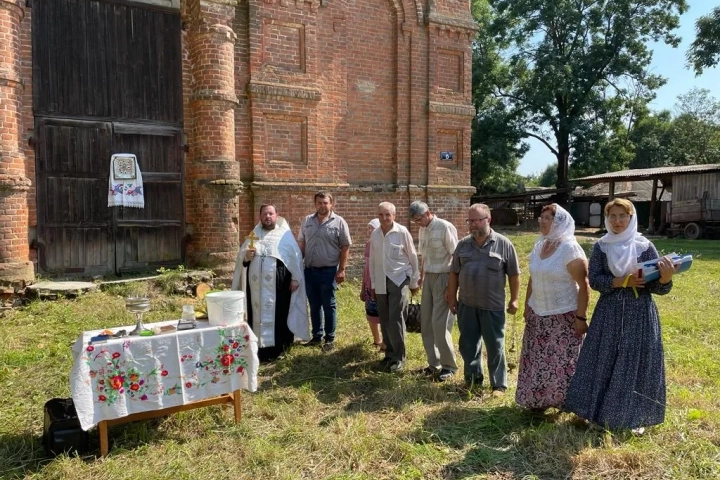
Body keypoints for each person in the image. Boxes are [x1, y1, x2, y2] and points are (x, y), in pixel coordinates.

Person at [565, 198, 676, 433]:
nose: (617, 221)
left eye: (622, 216)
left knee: (636, 362)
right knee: (604, 358)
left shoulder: (645, 247)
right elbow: (594, 280)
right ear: (607, 219)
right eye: (612, 216)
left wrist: (665, 279)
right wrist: (620, 281)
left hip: (640, 314)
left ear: (631, 218)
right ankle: (597, 413)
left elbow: (658, 288)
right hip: (610, 313)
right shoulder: (602, 246)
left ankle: (634, 417)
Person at [515, 204, 589, 411]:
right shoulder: (540, 246)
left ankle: (564, 403)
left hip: (563, 315)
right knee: (538, 360)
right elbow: (533, 278)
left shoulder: (570, 248)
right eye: (542, 217)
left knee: (561, 363)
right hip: (538, 314)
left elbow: (584, 285)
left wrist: (581, 317)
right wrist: (527, 306)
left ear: (560, 222)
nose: (542, 221)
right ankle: (537, 401)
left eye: (548, 218)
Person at [446, 203, 520, 396]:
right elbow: (453, 273)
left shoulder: (504, 244)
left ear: (488, 220)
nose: (472, 225)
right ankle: (472, 380)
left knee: (495, 346)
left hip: (492, 306)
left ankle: (499, 385)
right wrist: (452, 296)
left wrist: (514, 299)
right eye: (469, 221)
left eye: (476, 220)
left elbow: (514, 274)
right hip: (467, 305)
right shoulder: (462, 245)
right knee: (468, 345)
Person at [231, 204, 310, 362]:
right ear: (260, 217)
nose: (268, 217)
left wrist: (295, 278)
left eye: (271, 214)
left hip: (279, 287)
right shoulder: (254, 235)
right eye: (265, 214)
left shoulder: (284, 236)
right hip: (256, 289)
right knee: (256, 314)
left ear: (276, 215)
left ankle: (279, 349)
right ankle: (258, 349)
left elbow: (294, 258)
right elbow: (242, 262)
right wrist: (246, 256)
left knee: (279, 314)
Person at [409, 200, 459, 382]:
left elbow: (456, 256)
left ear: (428, 213)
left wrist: (451, 287)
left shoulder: (445, 227)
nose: (418, 222)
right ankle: (434, 364)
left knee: (440, 324)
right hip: (429, 277)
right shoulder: (423, 229)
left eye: (420, 218)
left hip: (444, 277)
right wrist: (421, 277)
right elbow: (424, 256)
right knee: (426, 322)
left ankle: (449, 366)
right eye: (415, 220)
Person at [368, 202, 420, 372]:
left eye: (388, 215)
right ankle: (389, 354)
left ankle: (399, 357)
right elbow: (373, 261)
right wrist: (374, 284)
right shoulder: (375, 234)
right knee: (384, 318)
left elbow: (413, 257)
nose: (384, 218)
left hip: (399, 279)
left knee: (396, 318)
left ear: (394, 216)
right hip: (381, 281)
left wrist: (414, 281)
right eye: (381, 215)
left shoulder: (402, 232)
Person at [298, 191, 352, 352]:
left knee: (329, 305)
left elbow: (345, 246)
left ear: (331, 204)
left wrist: (341, 269)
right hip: (309, 270)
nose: (322, 206)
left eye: (325, 203)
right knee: (314, 305)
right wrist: (297, 264)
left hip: (328, 271)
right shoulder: (307, 221)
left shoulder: (339, 222)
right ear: (315, 204)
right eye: (319, 203)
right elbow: (301, 243)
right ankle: (316, 336)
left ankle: (329, 338)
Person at [361, 218, 384, 350]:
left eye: (372, 228)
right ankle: (377, 340)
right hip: (369, 285)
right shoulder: (368, 244)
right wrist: (363, 286)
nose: (370, 231)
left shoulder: (382, 244)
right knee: (371, 313)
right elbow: (366, 267)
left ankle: (386, 342)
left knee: (384, 314)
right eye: (369, 228)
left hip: (380, 284)